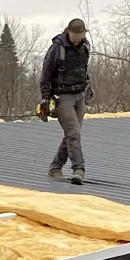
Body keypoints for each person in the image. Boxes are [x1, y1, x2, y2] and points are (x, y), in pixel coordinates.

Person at [37, 17, 92, 185]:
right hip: (63, 98)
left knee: (71, 135)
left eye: (80, 35)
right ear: (68, 32)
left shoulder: (85, 47)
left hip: (80, 96)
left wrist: (88, 87)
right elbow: (46, 75)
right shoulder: (57, 49)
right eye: (75, 35)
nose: (77, 39)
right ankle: (79, 169)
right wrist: (45, 98)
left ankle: (55, 168)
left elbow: (83, 70)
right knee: (73, 134)